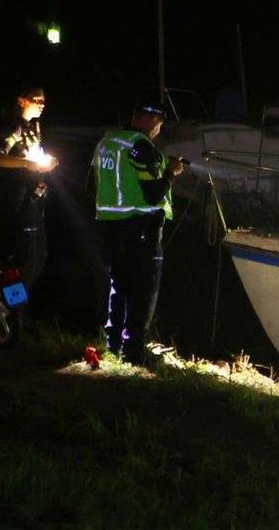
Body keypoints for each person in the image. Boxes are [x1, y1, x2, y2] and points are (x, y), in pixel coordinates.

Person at [92, 102, 184, 364]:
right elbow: (154, 193)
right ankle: (134, 352)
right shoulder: (141, 146)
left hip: (110, 226)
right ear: (151, 119)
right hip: (142, 229)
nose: (159, 129)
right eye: (159, 123)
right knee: (144, 292)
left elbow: (91, 183)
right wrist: (171, 173)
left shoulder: (107, 142)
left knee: (118, 286)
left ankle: (113, 344)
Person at [0, 86, 59, 291]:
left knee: (38, 256)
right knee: (28, 259)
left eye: (44, 101)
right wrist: (28, 165)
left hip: (35, 199)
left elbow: (33, 156)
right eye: (37, 99)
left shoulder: (33, 127)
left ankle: (12, 307)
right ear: (22, 101)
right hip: (21, 201)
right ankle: (10, 306)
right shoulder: (14, 127)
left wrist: (46, 162)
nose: (42, 104)